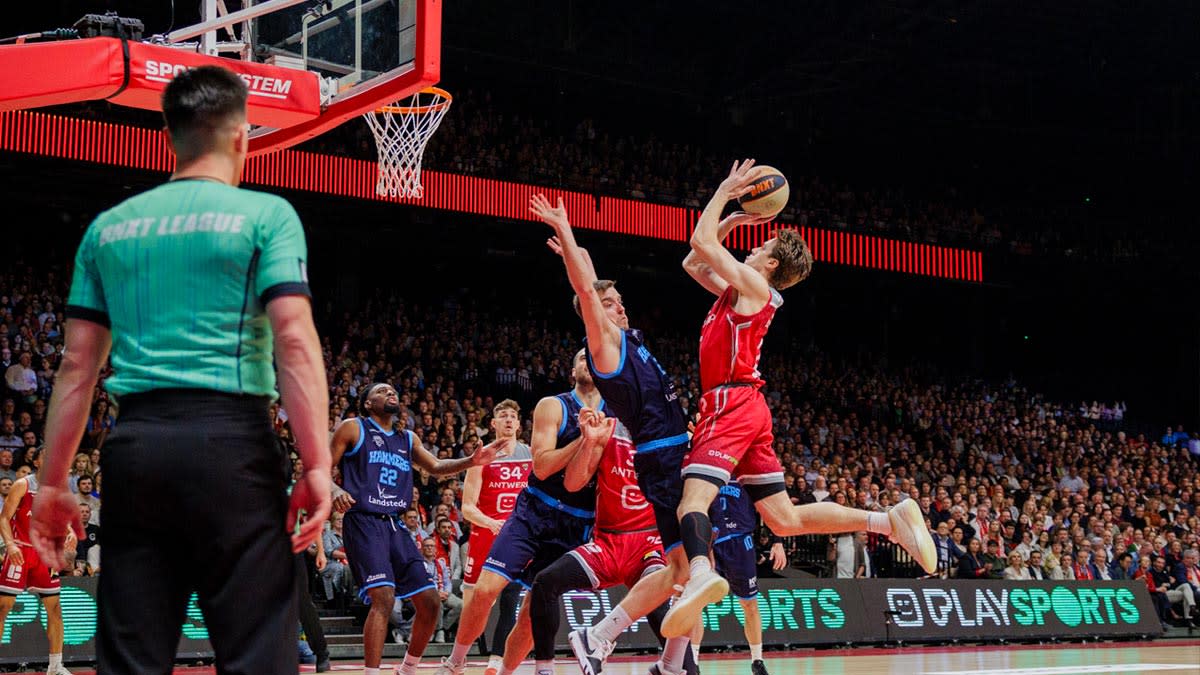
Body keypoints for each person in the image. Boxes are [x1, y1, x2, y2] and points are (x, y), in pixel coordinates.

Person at [30, 65, 332, 675]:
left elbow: (76, 364)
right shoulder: (267, 217)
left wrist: (54, 481)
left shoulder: (107, 230)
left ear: (170, 136)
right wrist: (318, 464)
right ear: (243, 136)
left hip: (138, 450)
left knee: (132, 661)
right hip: (234, 448)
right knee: (257, 657)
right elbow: (294, 342)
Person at [666, 161, 936, 637]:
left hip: (730, 403)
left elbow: (701, 244)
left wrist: (726, 194)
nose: (753, 245)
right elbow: (693, 262)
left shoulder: (753, 286)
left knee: (692, 501)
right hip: (747, 406)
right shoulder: (738, 290)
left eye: (762, 245)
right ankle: (887, 520)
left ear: (770, 265)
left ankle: (701, 577)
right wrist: (729, 223)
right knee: (785, 519)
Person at [531, 195, 695, 675]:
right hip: (634, 505)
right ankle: (579, 648)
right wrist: (564, 230)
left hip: (656, 501)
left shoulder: (633, 342)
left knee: (688, 583)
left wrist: (574, 253)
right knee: (688, 575)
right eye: (609, 305)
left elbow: (592, 282)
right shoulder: (604, 353)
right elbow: (587, 293)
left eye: (619, 301)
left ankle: (669, 664)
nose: (618, 307)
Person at [436, 351, 603, 675]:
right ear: (572, 370)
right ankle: (455, 662)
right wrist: (584, 440)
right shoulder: (554, 406)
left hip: (575, 523)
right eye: (582, 357)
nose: (589, 360)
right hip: (532, 512)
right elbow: (541, 468)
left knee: (532, 611)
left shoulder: (617, 413)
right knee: (484, 592)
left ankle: (504, 671)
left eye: (595, 356)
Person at [330, 382, 510, 675]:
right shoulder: (353, 428)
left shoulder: (407, 438)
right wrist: (333, 489)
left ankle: (407, 668)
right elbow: (320, 468)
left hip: (395, 523)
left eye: (393, 391)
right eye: (381, 391)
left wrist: (472, 461)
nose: (391, 394)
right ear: (366, 403)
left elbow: (437, 466)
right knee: (384, 596)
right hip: (363, 521)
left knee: (429, 602)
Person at [522, 413, 699, 675]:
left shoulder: (677, 438)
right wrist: (589, 442)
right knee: (544, 583)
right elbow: (572, 483)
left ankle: (678, 666)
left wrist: (699, 445)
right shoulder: (611, 429)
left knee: (662, 608)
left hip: (649, 543)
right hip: (609, 542)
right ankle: (545, 669)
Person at [458, 399, 533, 675]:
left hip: (515, 539)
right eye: (503, 416)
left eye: (513, 416)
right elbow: (467, 507)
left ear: (518, 422)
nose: (509, 420)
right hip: (484, 535)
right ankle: (459, 660)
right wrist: (491, 523)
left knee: (510, 600)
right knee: (474, 605)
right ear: (493, 423)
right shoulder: (482, 456)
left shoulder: (531, 454)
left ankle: (495, 662)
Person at [691, 481, 785, 675]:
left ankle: (757, 660)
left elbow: (770, 506)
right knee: (695, 602)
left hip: (741, 543)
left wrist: (777, 541)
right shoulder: (705, 467)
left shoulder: (747, 473)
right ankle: (692, 661)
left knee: (750, 604)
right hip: (709, 541)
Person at [0, 450, 72, 675]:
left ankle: (55, 666)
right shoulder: (22, 484)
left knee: (55, 609)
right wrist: (10, 545)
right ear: (37, 461)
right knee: (3, 607)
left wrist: (68, 531)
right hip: (20, 549)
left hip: (45, 553)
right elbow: (4, 517)